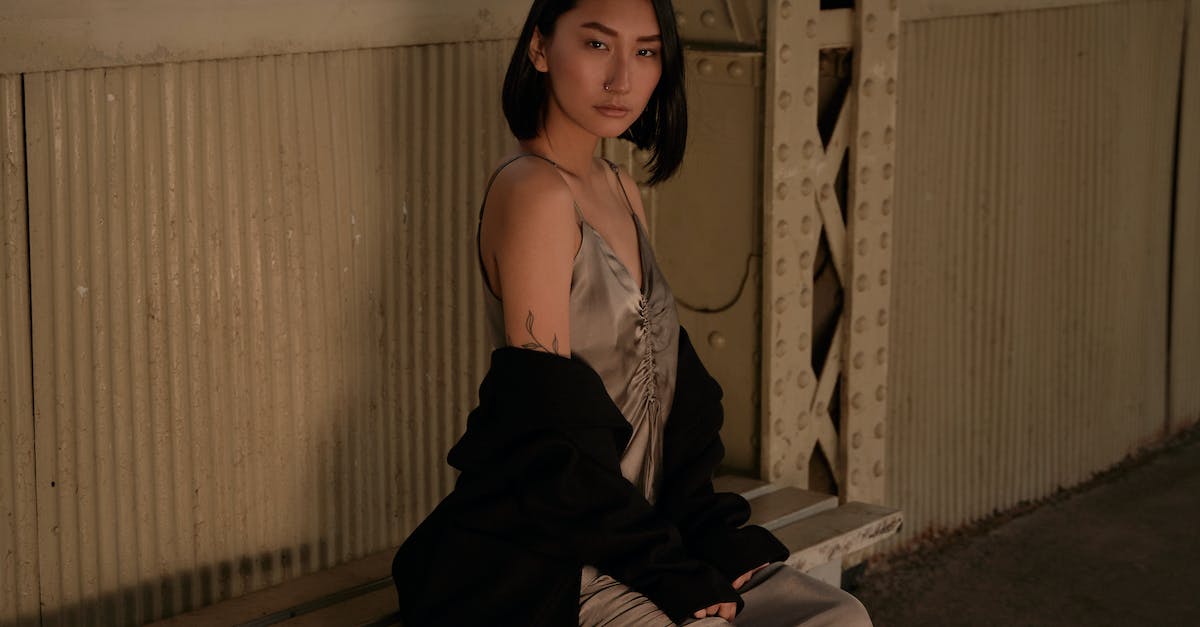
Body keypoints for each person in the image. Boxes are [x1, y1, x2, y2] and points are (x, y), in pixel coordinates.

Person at [415, 0, 876, 624]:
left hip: (646, 527)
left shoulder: (618, 188)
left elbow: (667, 390)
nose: (622, 80)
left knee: (834, 616)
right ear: (541, 49)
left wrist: (703, 533)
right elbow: (548, 439)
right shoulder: (534, 193)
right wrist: (663, 569)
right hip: (552, 551)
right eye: (598, 45)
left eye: (646, 51)